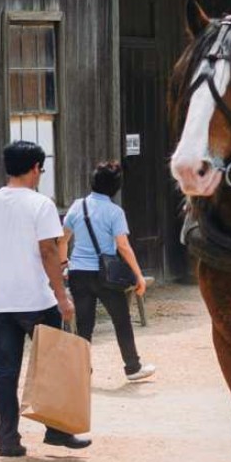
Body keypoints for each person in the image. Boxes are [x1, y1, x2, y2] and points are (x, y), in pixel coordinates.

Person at [0, 140, 88, 457]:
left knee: (5, 373)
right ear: (36, 168)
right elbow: (49, 251)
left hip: (1, 301)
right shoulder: (41, 204)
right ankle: (57, 429)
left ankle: (7, 437)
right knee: (52, 367)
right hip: (37, 299)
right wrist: (62, 296)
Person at [63, 161, 155, 382]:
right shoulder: (115, 212)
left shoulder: (77, 206)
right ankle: (132, 367)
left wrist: (64, 264)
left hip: (78, 273)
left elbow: (62, 239)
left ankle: (81, 371)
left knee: (84, 324)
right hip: (106, 275)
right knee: (121, 320)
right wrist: (138, 275)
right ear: (116, 187)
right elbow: (123, 246)